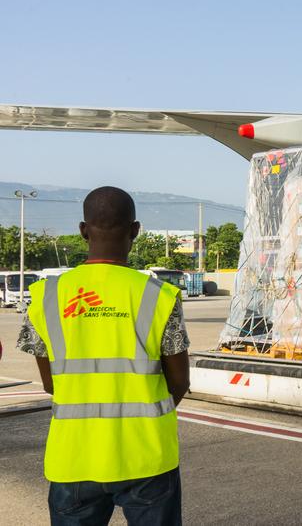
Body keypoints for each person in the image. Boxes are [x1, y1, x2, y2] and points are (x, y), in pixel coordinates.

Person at [16, 186, 190, 525]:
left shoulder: (46, 296)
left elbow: (51, 382)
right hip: (147, 457)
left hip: (74, 459)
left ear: (83, 230)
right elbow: (179, 382)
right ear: (135, 230)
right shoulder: (159, 296)